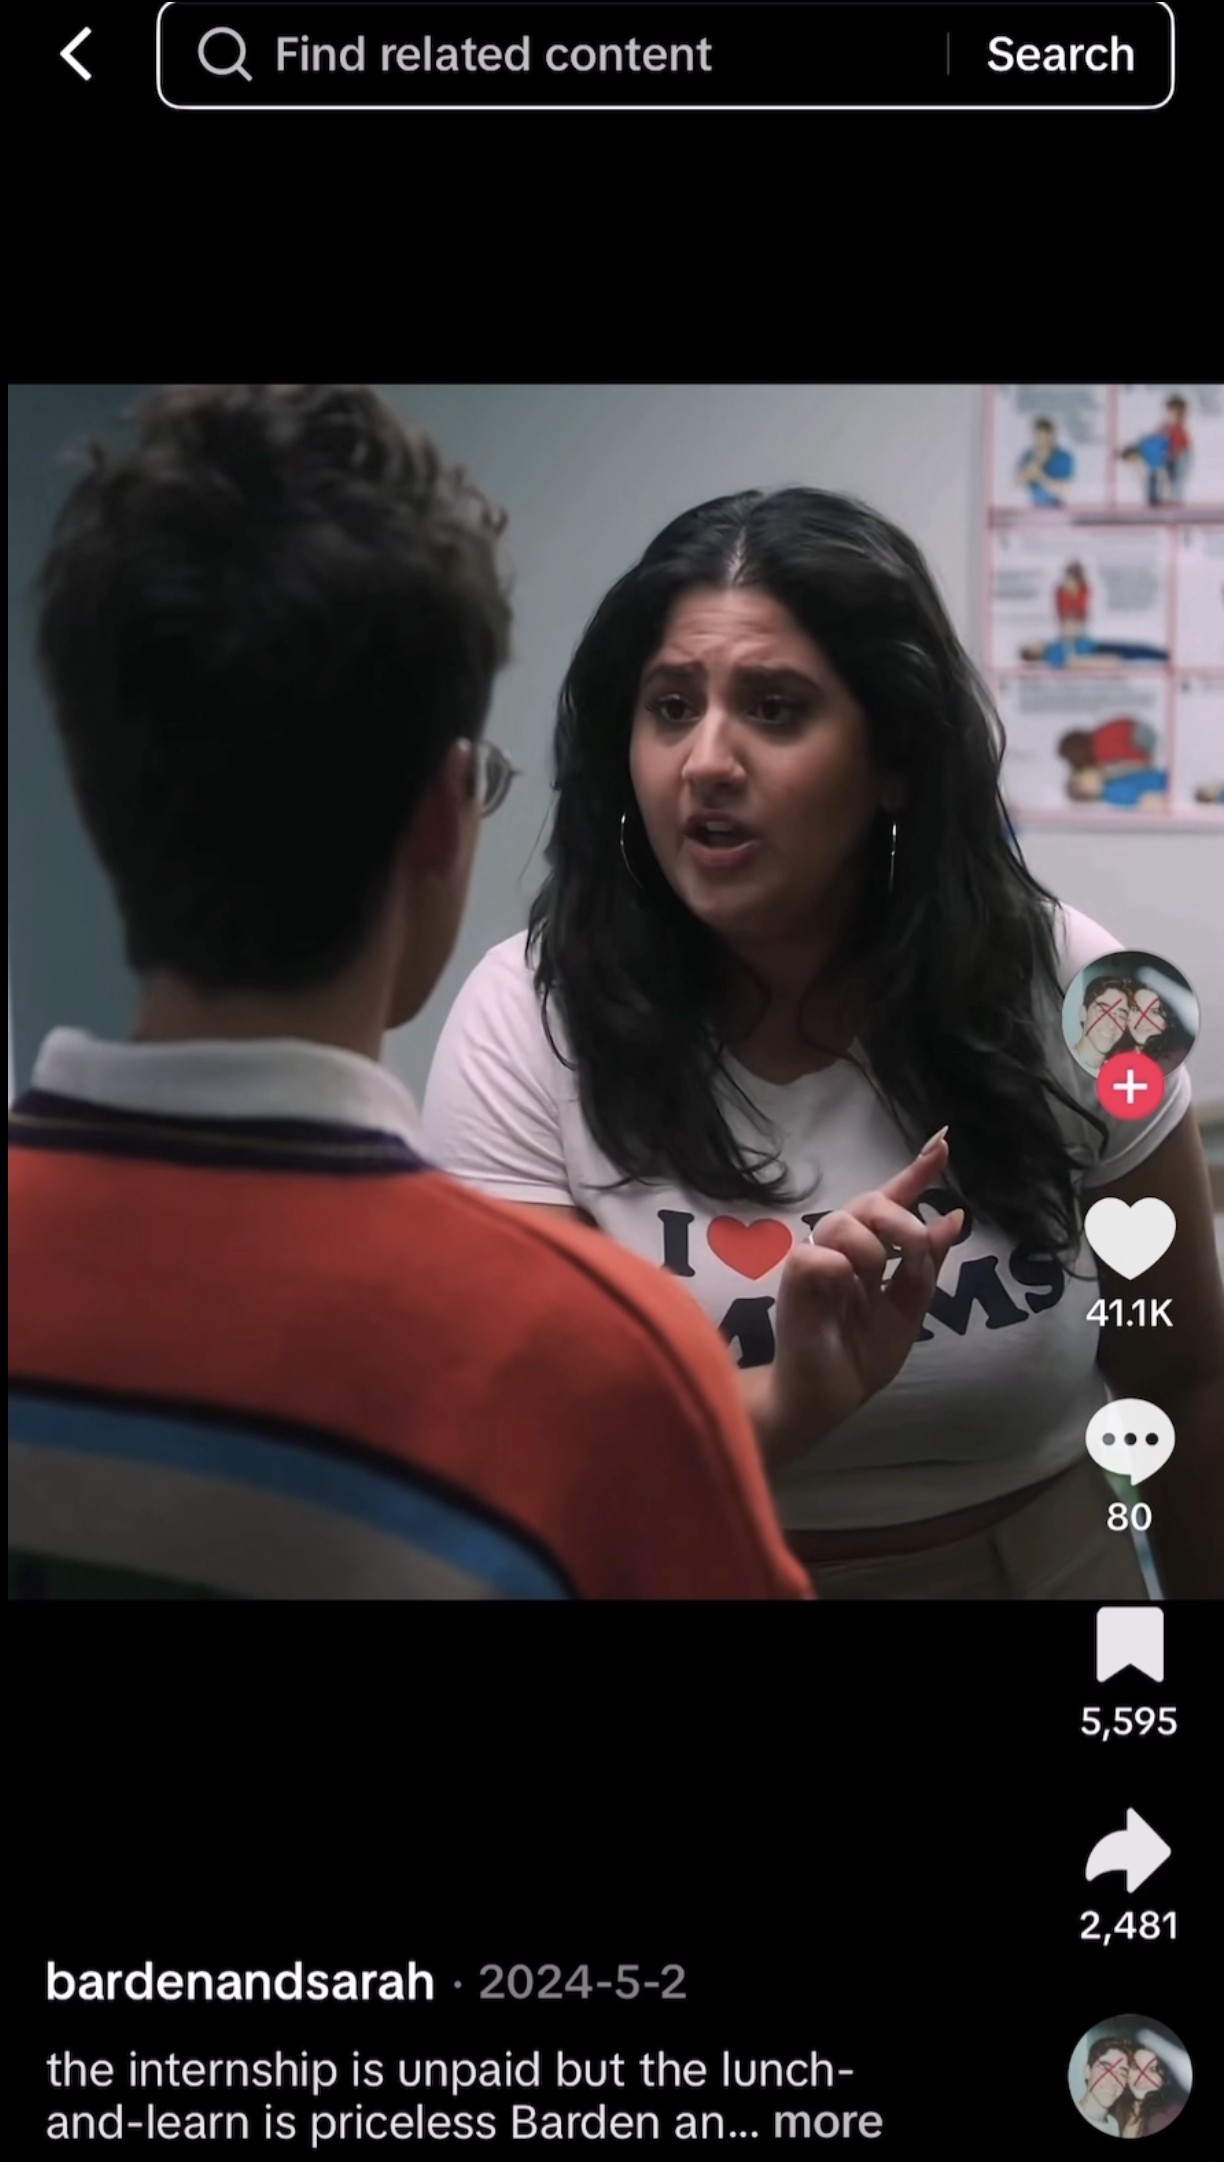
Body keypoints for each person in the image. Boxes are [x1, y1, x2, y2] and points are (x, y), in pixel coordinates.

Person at [9, 387, 959, 1602]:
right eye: (671, 708)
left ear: (94, 794)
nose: (709, 760)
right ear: (442, 815)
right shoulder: (582, 1352)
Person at [423, 487, 1224, 1598]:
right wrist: (790, 1402)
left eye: (776, 709)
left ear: (894, 756)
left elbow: (1183, 1376)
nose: (706, 760)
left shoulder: (1079, 988)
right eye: (669, 707)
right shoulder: (526, 1016)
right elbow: (540, 1454)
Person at [1120, 2043, 1186, 2137]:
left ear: (1165, 2076)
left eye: (1152, 2069)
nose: (1141, 2078)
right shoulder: (1118, 2106)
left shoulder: (1169, 2115)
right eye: (1135, 2067)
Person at [1075, 2037, 1131, 2132]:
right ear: (1087, 2071)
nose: (1114, 2081)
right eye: (1105, 2069)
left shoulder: (1114, 2126)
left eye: (1121, 2074)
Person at [1015, 415, 1074, 505]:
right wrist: (1036, 463)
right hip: (1033, 506)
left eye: (1046, 438)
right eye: (1038, 438)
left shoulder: (1063, 457)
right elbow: (1017, 484)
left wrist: (1040, 476)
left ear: (1053, 436)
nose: (1042, 442)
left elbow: (1065, 491)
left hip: (1058, 507)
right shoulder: (1028, 455)